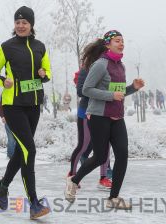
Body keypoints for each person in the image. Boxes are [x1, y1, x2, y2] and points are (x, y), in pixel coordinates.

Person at [64, 30, 145, 209]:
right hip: (99, 116)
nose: (121, 43)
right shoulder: (100, 64)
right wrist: (110, 95)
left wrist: (133, 87)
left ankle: (113, 198)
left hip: (117, 117)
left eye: (123, 40)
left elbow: (119, 93)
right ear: (108, 44)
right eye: (117, 40)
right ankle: (74, 180)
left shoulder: (121, 66)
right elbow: (86, 89)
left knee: (123, 154)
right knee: (100, 157)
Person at [0, 6, 52, 219]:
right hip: (13, 105)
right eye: (18, 22)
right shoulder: (7, 47)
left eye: (25, 22)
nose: (21, 25)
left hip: (33, 105)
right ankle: (34, 204)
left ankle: (3, 186)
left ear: (31, 25)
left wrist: (44, 74)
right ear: (14, 25)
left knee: (21, 151)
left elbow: (48, 72)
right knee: (29, 151)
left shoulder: (40, 46)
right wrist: (2, 80)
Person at [69, 40, 114, 192]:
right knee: (83, 145)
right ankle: (72, 174)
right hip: (86, 112)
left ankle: (104, 177)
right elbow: (81, 90)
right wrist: (100, 90)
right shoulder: (87, 67)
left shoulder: (111, 67)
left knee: (105, 147)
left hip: (105, 112)